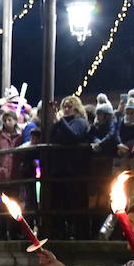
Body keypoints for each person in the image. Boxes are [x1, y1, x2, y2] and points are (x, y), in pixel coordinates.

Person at [46, 96, 91, 237]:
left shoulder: (80, 122)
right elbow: (51, 139)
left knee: (75, 204)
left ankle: (79, 234)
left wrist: (60, 120)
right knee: (59, 204)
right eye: (64, 106)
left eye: (69, 107)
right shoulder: (60, 124)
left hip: (73, 170)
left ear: (76, 108)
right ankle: (60, 232)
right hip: (59, 170)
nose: (65, 109)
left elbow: (74, 136)